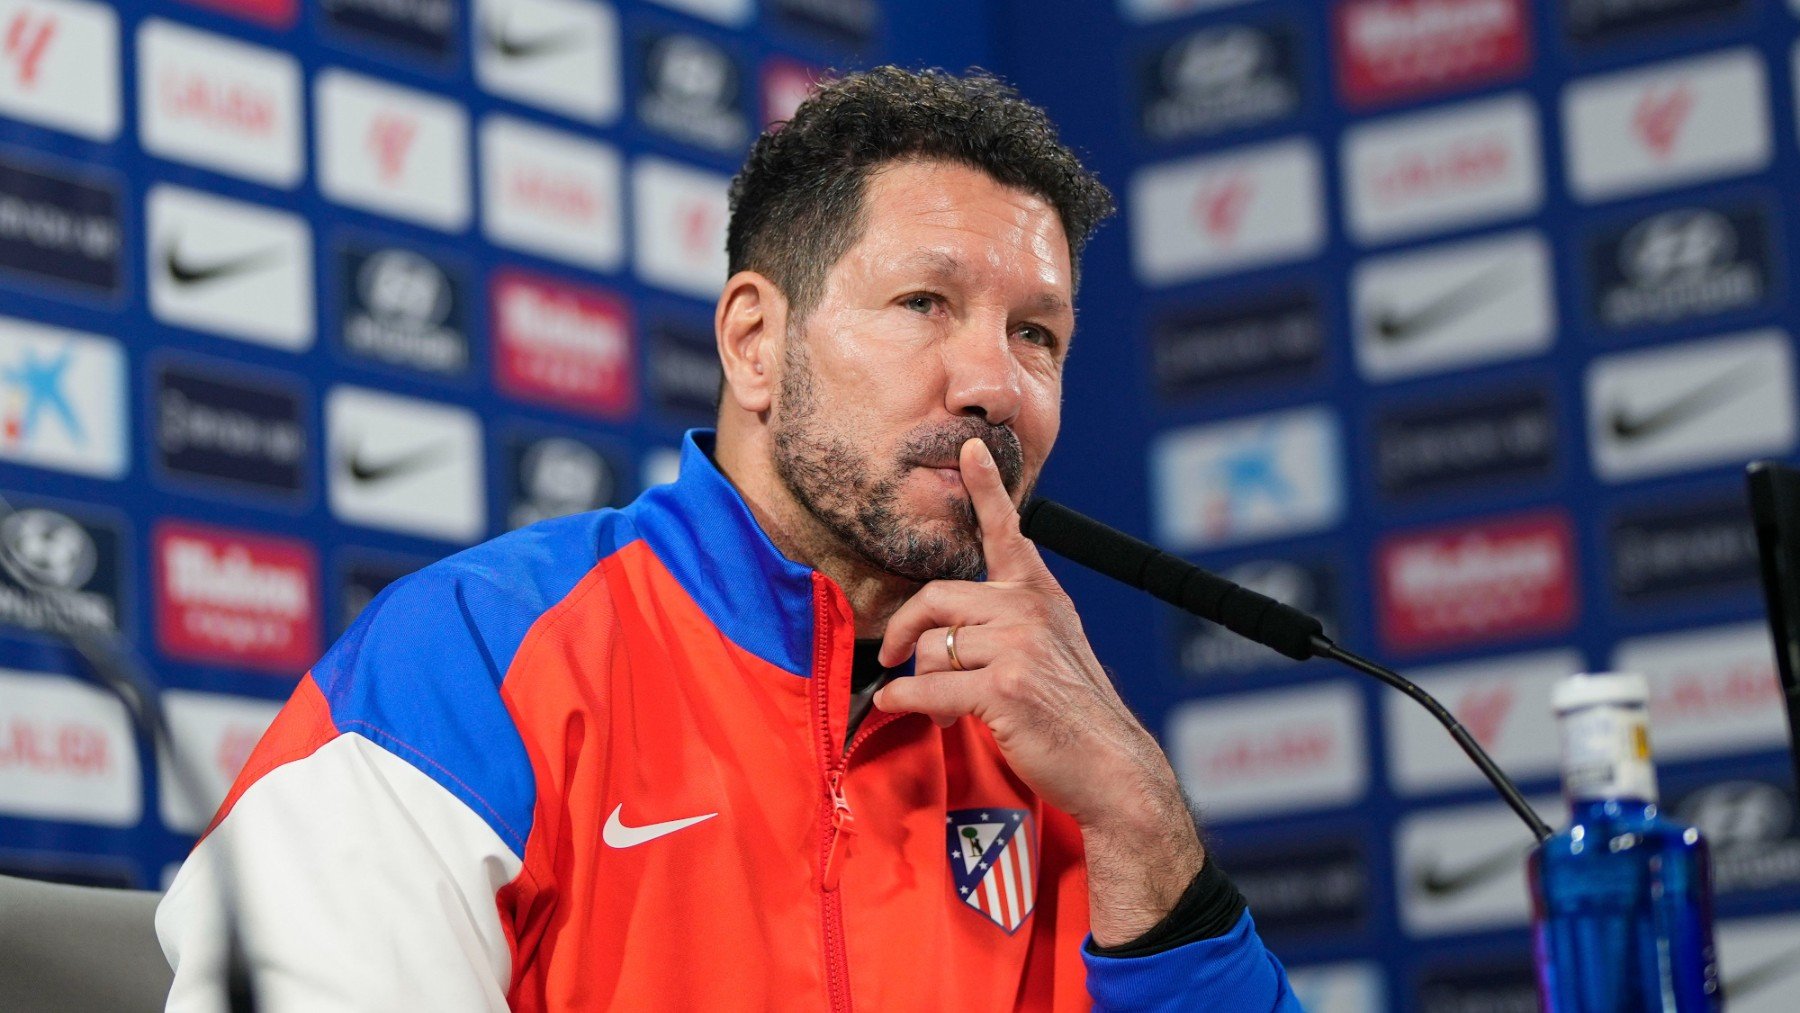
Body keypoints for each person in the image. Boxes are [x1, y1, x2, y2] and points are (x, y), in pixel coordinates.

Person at [156, 67, 1299, 1011]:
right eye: (924, 304)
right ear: (755, 341)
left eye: (1037, 334)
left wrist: (1145, 823)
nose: (993, 382)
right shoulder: (469, 661)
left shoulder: (1057, 748)